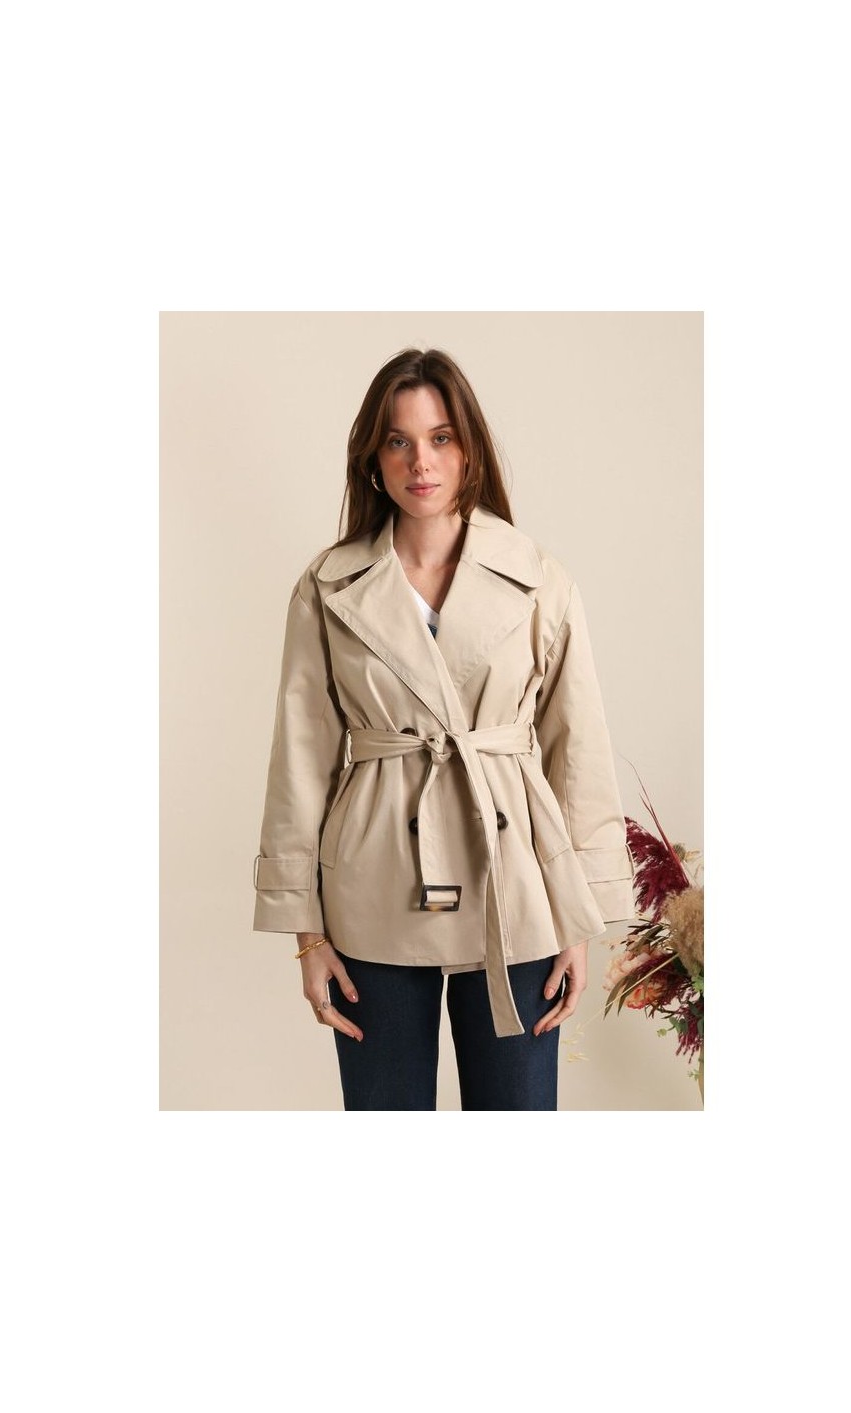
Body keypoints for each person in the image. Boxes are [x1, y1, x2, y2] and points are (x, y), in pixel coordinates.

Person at [252, 348, 635, 1110]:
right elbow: (300, 757)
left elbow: (578, 751)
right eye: (398, 441)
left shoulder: (539, 579)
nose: (420, 462)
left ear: (469, 450)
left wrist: (578, 919)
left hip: (515, 885)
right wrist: (308, 935)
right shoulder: (327, 586)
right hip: (372, 891)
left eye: (440, 438)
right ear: (373, 457)